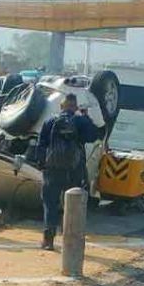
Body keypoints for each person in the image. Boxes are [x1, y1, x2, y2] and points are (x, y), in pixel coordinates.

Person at [37, 93, 99, 250]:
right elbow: (93, 136)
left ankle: (48, 240)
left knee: (50, 204)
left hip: (52, 169)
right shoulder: (79, 121)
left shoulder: (50, 121)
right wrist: (86, 118)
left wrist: (42, 164)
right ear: (75, 107)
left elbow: (41, 145)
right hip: (74, 170)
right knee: (73, 204)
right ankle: (70, 242)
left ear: (61, 106)